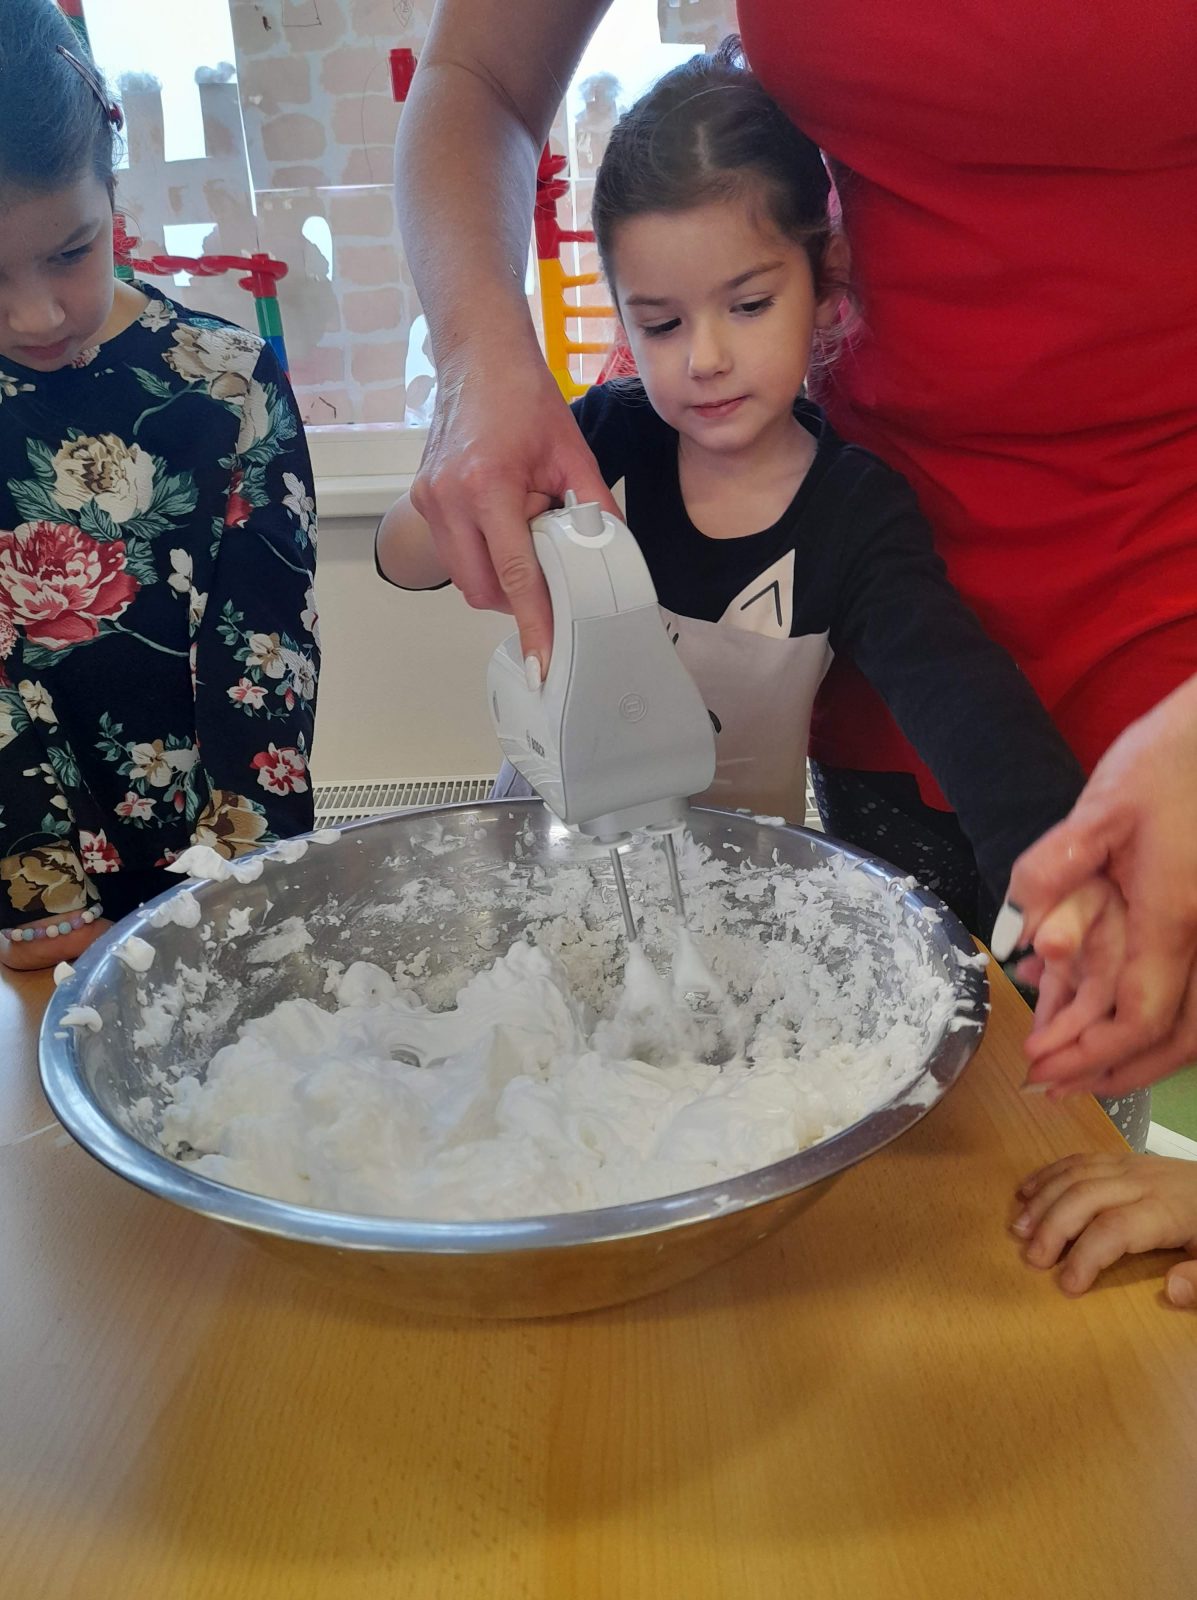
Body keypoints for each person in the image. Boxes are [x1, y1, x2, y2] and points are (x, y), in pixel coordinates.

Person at [392, 0, 1195, 1113]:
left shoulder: (849, 513)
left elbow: (961, 702)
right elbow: (411, 556)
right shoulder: (610, 444)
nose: (706, 358)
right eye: (660, 323)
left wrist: (1057, 886)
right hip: (563, 869)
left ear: (827, 284)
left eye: (749, 303)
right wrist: (463, 448)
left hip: (752, 890)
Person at [0, 2, 319, 972]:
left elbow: (264, 660)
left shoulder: (227, 387)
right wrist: (41, 902)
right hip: (21, 894)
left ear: (112, 188)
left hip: (205, 886)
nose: (37, 314)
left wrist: (227, 889)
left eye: (71, 251)